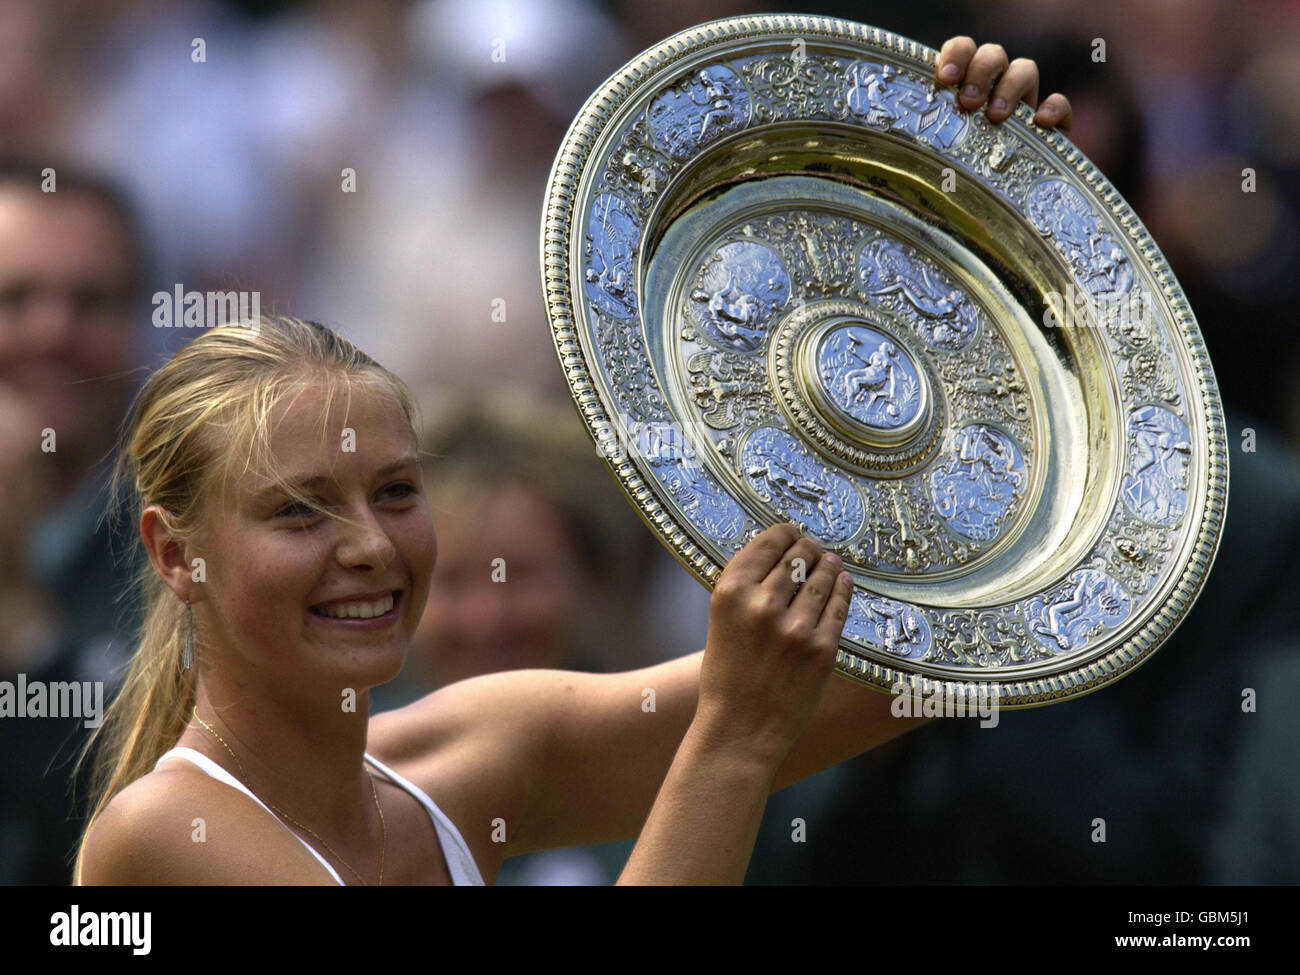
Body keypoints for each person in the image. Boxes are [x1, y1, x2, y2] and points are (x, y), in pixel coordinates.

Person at [74, 40, 1072, 885]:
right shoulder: (163, 837)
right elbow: (745, 722)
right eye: (299, 512)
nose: (372, 545)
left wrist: (995, 240)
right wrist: (731, 740)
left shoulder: (468, 752)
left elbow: (923, 667)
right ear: (175, 554)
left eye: (395, 492)